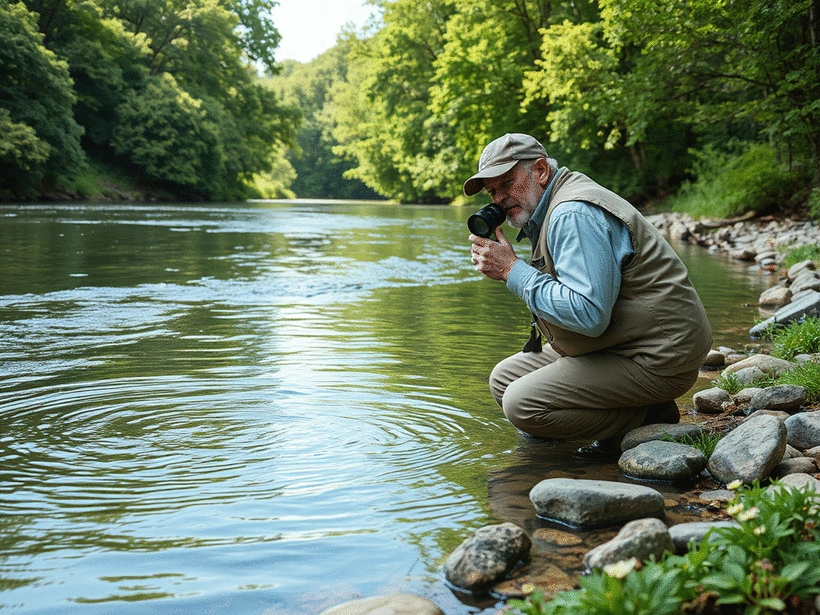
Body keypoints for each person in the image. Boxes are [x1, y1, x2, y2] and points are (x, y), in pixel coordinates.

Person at [465, 133, 713, 453]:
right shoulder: (550, 208)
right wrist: (509, 271)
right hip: (624, 342)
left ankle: (648, 416)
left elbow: (589, 314)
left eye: (507, 183)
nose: (498, 198)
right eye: (492, 191)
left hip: (659, 355)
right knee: (503, 380)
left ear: (540, 171)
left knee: (521, 404)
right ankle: (632, 413)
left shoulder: (572, 214)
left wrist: (512, 270)